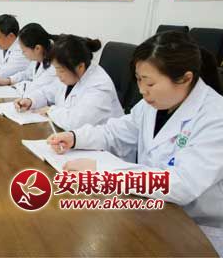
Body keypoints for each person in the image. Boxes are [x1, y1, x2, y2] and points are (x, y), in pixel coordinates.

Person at [47, 31, 223, 254]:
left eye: (149, 83)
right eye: (139, 80)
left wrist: (103, 171)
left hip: (198, 230)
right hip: (152, 210)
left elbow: (181, 184)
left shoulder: (215, 118)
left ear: (185, 78)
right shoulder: (155, 103)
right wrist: (75, 137)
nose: (142, 90)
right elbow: (116, 132)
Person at [16, 34, 123, 130]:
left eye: (60, 70)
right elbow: (47, 92)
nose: (57, 74)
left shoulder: (100, 86)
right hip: (70, 136)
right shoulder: (71, 75)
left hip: (101, 144)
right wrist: (31, 101)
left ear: (80, 66)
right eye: (56, 69)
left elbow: (76, 122)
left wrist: (50, 111)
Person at [0, 23, 58, 98]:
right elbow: (27, 73)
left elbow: (35, 88)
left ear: (37, 48)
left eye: (24, 51)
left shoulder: (54, 65)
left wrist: (15, 86)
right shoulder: (39, 57)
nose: (22, 53)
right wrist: (8, 80)